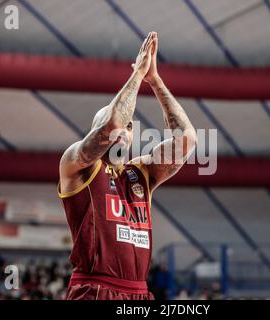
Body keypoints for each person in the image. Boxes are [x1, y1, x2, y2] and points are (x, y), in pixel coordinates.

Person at [58, 31, 197, 300]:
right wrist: (137, 74)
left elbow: (187, 139)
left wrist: (154, 80)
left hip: (139, 293)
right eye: (123, 122)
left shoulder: (141, 173)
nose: (125, 129)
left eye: (131, 126)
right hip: (95, 289)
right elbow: (112, 125)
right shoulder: (78, 165)